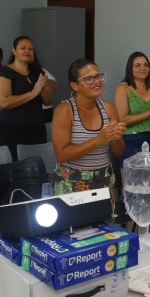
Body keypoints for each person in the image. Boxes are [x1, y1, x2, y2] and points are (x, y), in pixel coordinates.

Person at [52, 59, 125, 200]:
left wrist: (116, 137)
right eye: (89, 79)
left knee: (104, 222)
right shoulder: (65, 110)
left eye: (98, 76)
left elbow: (119, 150)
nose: (97, 81)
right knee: (76, 222)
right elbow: (61, 155)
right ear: (75, 85)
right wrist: (98, 140)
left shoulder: (109, 108)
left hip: (104, 180)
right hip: (71, 182)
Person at [0, 36, 57, 160]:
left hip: (37, 127)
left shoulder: (38, 72)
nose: (27, 51)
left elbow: (48, 101)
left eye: (30, 49)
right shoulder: (5, 72)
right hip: (12, 128)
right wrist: (33, 93)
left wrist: (42, 86)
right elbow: (5, 102)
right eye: (23, 48)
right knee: (16, 166)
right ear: (14, 51)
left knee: (38, 164)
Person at [114, 51, 150, 163]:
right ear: (130, 68)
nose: (143, 68)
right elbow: (122, 119)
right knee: (131, 180)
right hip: (131, 142)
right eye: (137, 65)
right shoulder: (123, 88)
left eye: (146, 65)